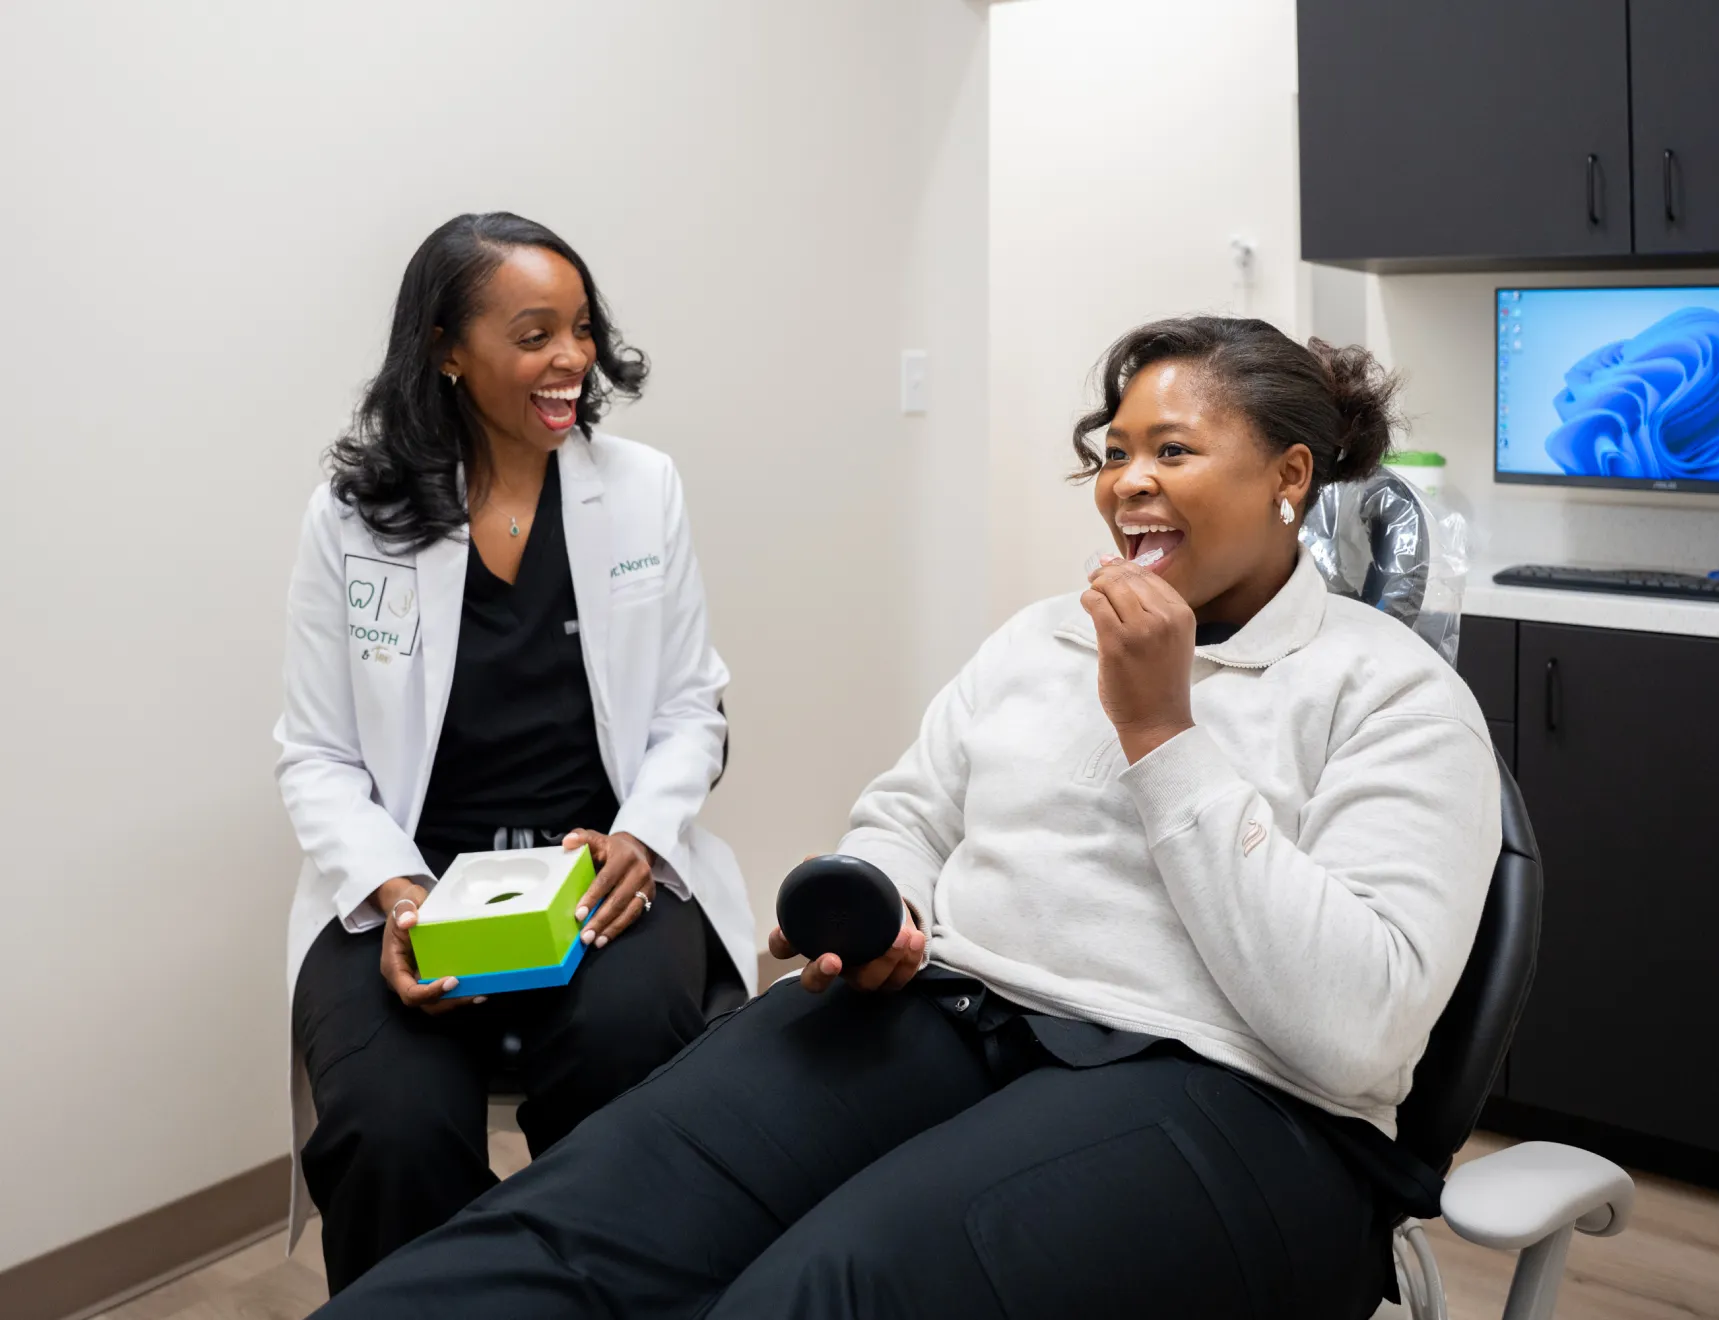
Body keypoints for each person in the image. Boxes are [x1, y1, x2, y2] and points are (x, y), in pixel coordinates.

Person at [310, 317, 1501, 1318]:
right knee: (574, 1220)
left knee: (824, 1288)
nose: (1126, 481)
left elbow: (1356, 1028)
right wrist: (875, 902)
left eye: (1172, 449)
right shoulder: (1038, 639)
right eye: (1113, 451)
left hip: (1234, 1096)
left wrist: (1161, 734)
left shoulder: (1391, 692)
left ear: (1289, 477)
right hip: (955, 1011)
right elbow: (908, 817)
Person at [275, 212, 754, 1294]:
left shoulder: (640, 488)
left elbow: (691, 712)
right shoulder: (353, 516)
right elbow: (313, 754)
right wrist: (398, 894)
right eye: (533, 333)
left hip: (598, 871)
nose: (571, 360)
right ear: (446, 348)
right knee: (390, 1132)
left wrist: (638, 838)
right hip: (408, 878)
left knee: (633, 1076)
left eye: (580, 329)